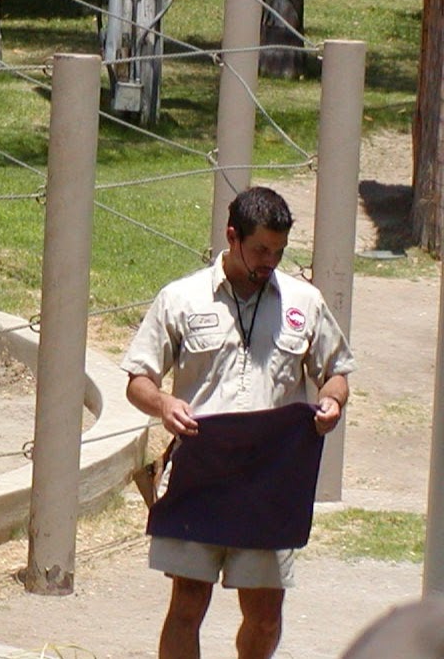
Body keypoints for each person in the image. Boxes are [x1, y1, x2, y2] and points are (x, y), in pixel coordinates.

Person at [121, 185, 355, 659]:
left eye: (279, 251)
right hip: (201, 472)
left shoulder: (303, 302)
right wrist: (164, 404)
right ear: (232, 237)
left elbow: (336, 373)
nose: (270, 260)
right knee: (187, 605)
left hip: (271, 483)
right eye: (260, 249)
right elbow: (137, 379)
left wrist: (332, 403)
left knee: (265, 614)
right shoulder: (180, 298)